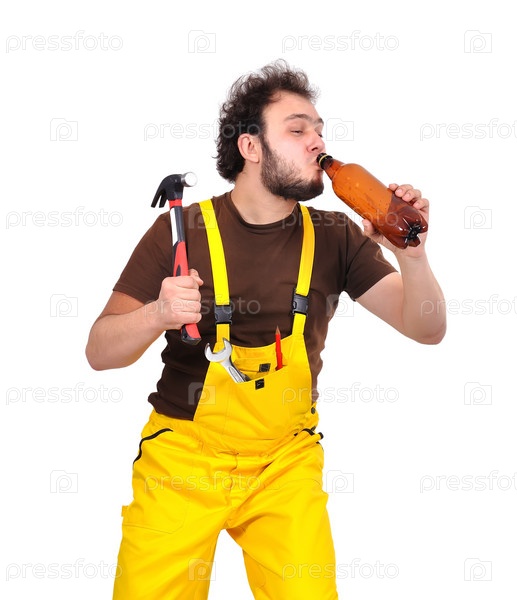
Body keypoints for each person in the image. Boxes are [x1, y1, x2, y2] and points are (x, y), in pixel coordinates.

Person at [86, 59, 446, 599]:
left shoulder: (336, 234)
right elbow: (99, 351)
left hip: (285, 462)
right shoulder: (181, 230)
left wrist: (411, 256)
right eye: (297, 130)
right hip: (182, 459)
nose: (317, 142)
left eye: (320, 130)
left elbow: (427, 328)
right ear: (250, 147)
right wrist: (156, 314)